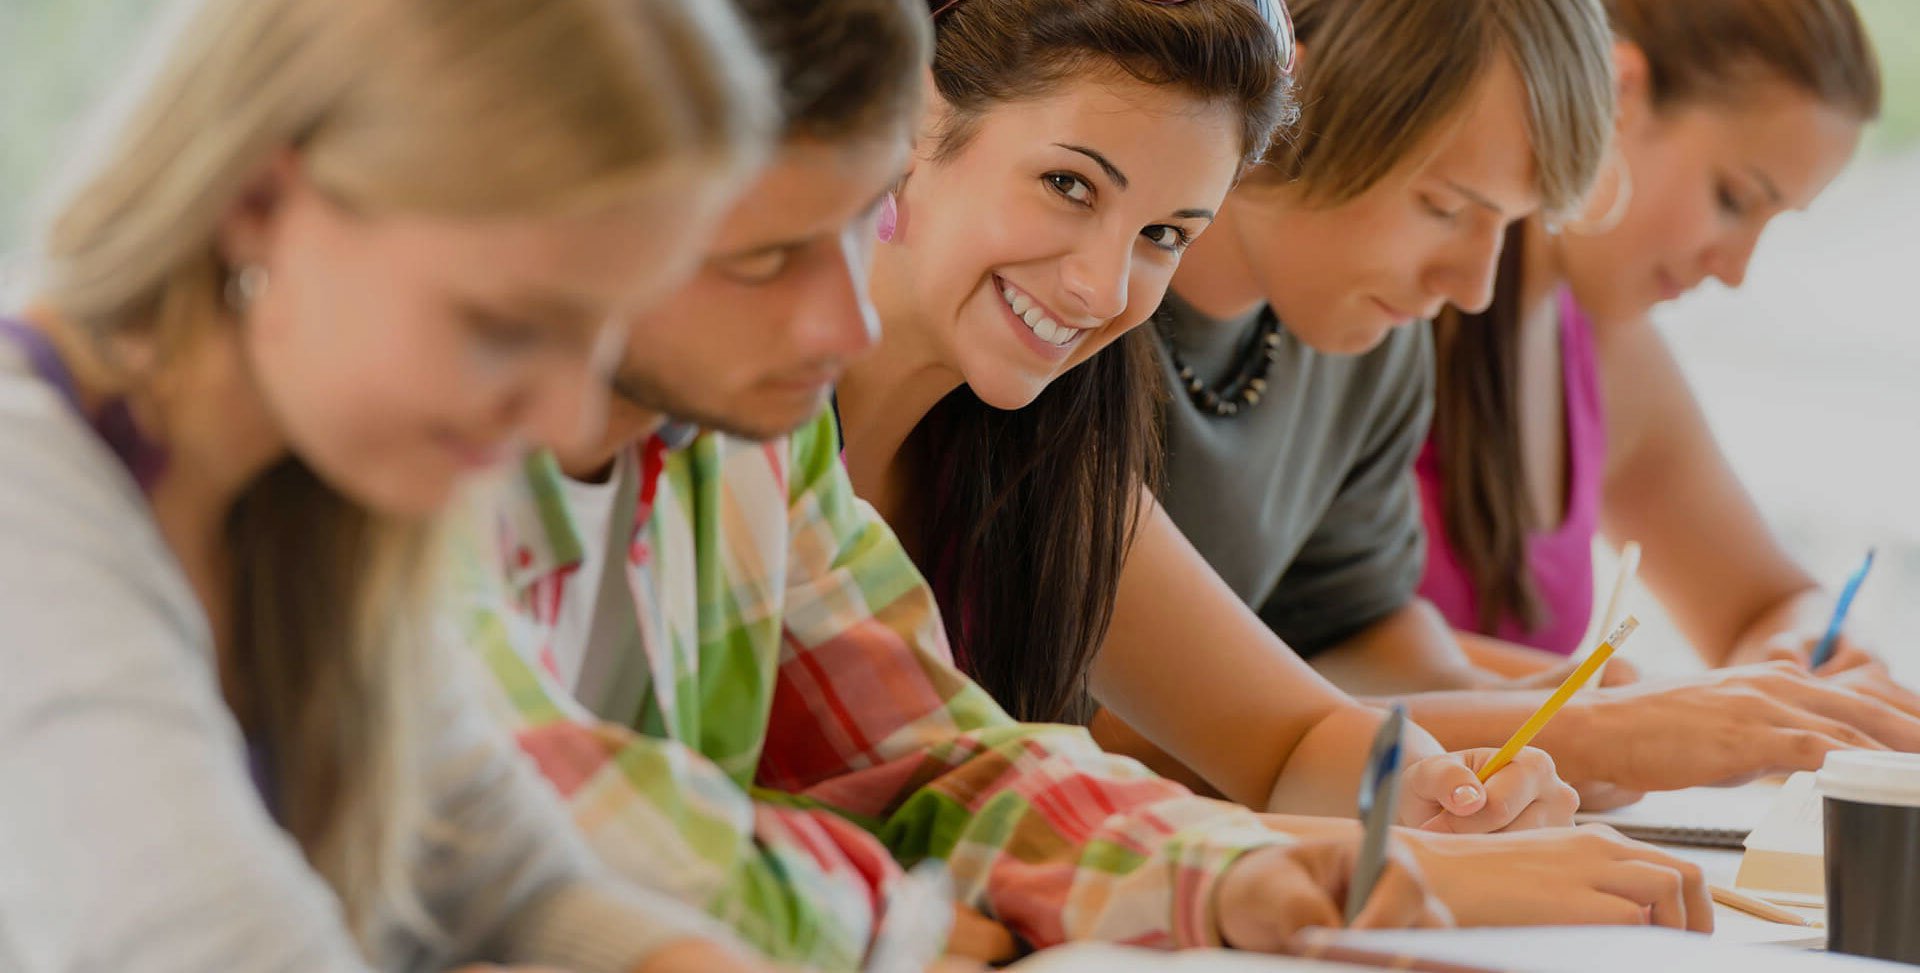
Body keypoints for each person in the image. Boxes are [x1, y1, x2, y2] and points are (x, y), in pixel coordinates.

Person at [465, 0, 1461, 965]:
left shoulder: (754, 442)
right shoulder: (437, 447)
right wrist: (883, 918)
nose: (845, 324)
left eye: (860, 226)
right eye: (771, 254)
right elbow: (517, 798)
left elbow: (932, 758)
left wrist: (1228, 876)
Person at [839, 0, 1718, 932]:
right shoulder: (737, 428)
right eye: (1068, 184)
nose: (1103, 286)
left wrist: (1432, 800)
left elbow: (1290, 735)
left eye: (1166, 235)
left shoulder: (1041, 453)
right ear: (912, 116)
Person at [0, 0, 784, 970]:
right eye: (506, 326)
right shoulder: (23, 493)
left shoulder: (310, 497)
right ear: (257, 204)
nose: (568, 419)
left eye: (605, 333)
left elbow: (516, 884)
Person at [1083, 0, 1920, 809]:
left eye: (1508, 226)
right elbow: (1126, 719)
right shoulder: (1086, 321)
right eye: (1445, 209)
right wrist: (1595, 730)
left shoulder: (1369, 350)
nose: (1474, 290)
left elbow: (1350, 633)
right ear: (1300, 102)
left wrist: (1546, 702)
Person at [1419, 0, 1920, 719]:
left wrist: (1800, 650)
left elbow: (1765, 602)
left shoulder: (1606, 355)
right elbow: (1301, 644)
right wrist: (1633, 715)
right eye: (1734, 198)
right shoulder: (1387, 297)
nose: (1737, 269)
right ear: (1618, 97)